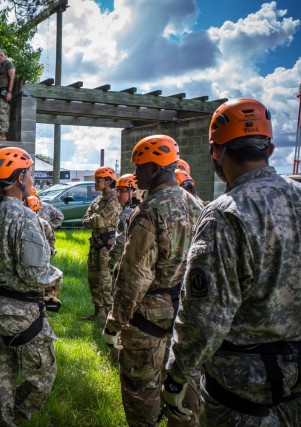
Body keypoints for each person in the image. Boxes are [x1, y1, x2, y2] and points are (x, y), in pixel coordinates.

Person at [162, 98, 301, 426]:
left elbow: (204, 317)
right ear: (269, 148)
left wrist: (177, 376)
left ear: (216, 152)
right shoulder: (300, 197)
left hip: (243, 395)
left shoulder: (226, 214)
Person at [102, 135, 203, 426]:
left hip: (148, 322)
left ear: (156, 168)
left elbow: (134, 276)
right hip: (186, 318)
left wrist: (114, 323)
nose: (135, 174)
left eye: (140, 167)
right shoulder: (197, 206)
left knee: (141, 397)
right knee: (184, 402)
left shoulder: (149, 211)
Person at [0, 147, 62, 426]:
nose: (33, 180)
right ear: (20, 177)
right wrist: (56, 275)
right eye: (32, 174)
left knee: (1, 377)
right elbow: (35, 274)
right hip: (20, 313)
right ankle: (17, 417)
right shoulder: (25, 217)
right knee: (43, 375)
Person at [81, 166, 120, 321]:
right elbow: (86, 221)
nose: (96, 183)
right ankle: (99, 312)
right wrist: (94, 220)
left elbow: (99, 220)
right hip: (96, 243)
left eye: (99, 181)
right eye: (95, 180)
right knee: (93, 278)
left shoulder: (114, 199)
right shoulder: (97, 200)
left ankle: (110, 314)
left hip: (107, 245)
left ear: (109, 181)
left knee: (105, 280)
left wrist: (95, 220)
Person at [107, 173, 140, 274]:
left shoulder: (126, 214)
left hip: (127, 264)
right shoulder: (141, 209)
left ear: (133, 191)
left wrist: (112, 260)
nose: (118, 194)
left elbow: (121, 241)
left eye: (122, 191)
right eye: (117, 190)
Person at [0, 48, 15, 141]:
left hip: (4, 91)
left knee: (3, 112)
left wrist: (9, 92)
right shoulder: (1, 66)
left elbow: (12, 78)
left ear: (1, 55)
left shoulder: (8, 64)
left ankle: (3, 134)